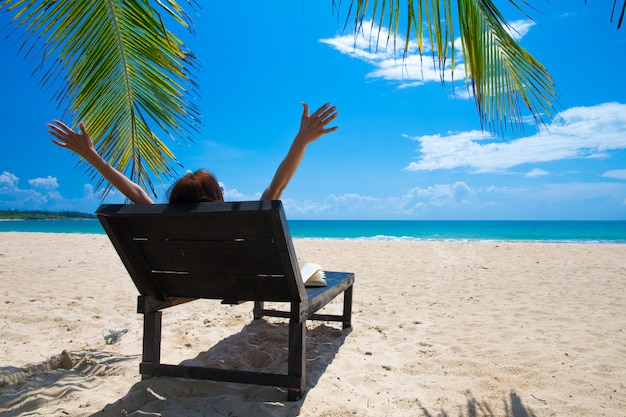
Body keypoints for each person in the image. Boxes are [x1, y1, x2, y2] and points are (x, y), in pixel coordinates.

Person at [47, 102, 338, 204]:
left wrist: (91, 155)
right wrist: (300, 142)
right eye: (221, 189)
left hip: (186, 282)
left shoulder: (168, 218)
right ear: (219, 197)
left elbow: (136, 194)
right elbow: (278, 186)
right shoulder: (235, 219)